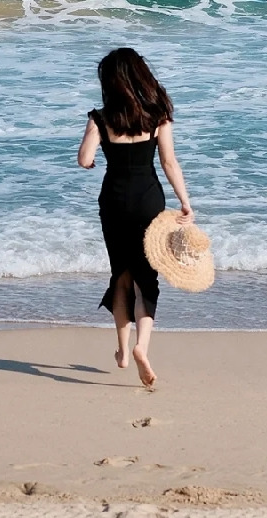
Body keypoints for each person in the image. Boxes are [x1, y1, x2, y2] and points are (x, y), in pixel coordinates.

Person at [77, 47, 193, 387]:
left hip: (114, 201)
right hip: (148, 201)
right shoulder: (157, 114)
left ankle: (123, 352)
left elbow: (84, 159)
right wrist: (185, 202)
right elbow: (169, 162)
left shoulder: (100, 117)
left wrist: (94, 155)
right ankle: (143, 347)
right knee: (147, 278)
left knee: (121, 276)